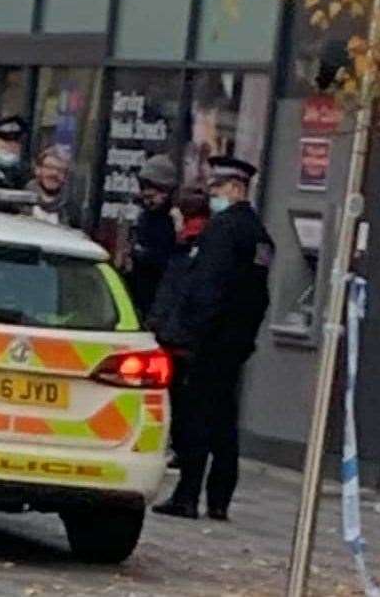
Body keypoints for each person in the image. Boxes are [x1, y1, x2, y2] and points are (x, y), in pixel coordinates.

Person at [153, 156, 273, 521]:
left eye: (217, 189)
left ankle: (187, 495)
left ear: (235, 189)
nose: (212, 196)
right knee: (224, 423)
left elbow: (207, 289)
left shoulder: (222, 231)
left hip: (208, 342)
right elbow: (258, 298)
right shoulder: (259, 235)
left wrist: (189, 335)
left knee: (196, 419)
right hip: (234, 344)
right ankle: (219, 499)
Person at [146, 186, 211, 469]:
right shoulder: (188, 242)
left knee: (179, 399)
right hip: (178, 334)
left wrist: (161, 326)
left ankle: (183, 449)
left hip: (179, 337)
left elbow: (178, 292)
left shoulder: (193, 243)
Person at [125, 154, 178, 317]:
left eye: (153, 194)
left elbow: (168, 263)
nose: (148, 200)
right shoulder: (144, 217)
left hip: (157, 302)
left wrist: (141, 254)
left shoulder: (172, 219)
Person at [26, 145, 79, 227]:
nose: (54, 173)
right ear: (38, 169)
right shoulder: (20, 202)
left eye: (60, 170)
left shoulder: (71, 210)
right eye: (49, 167)